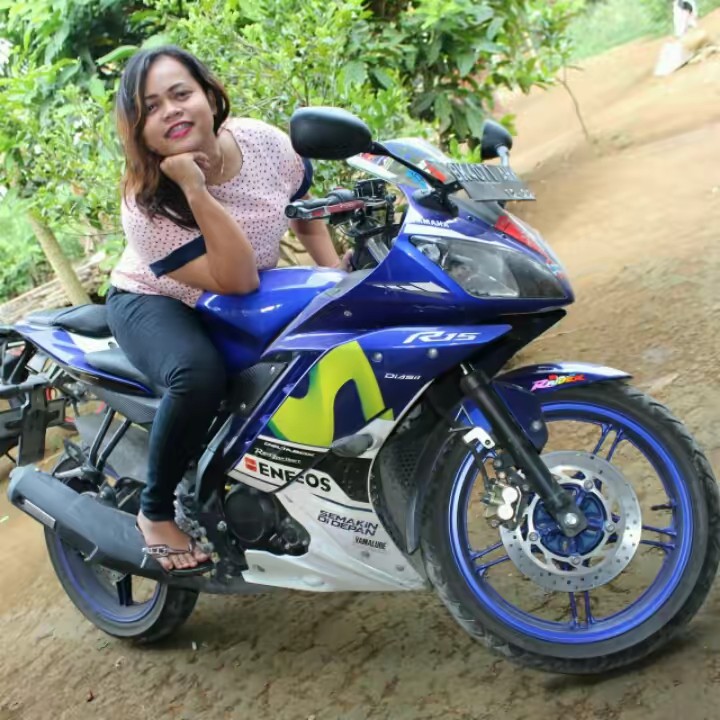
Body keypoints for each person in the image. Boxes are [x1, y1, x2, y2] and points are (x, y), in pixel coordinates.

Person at [108, 46, 343, 573]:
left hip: (236, 294)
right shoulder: (146, 203)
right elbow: (236, 279)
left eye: (180, 94)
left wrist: (336, 278)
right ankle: (155, 510)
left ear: (210, 97)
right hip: (156, 298)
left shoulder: (264, 142)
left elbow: (303, 210)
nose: (170, 110)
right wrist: (194, 188)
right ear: (139, 131)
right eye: (151, 107)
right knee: (198, 376)